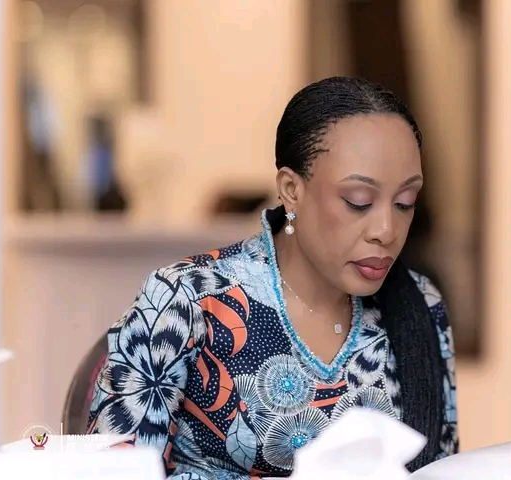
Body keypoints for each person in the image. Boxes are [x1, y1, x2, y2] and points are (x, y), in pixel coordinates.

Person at [87, 76, 458, 478]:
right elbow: (113, 472)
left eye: (404, 203)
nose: (386, 230)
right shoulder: (188, 300)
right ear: (291, 189)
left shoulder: (420, 304)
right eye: (359, 201)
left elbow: (441, 470)